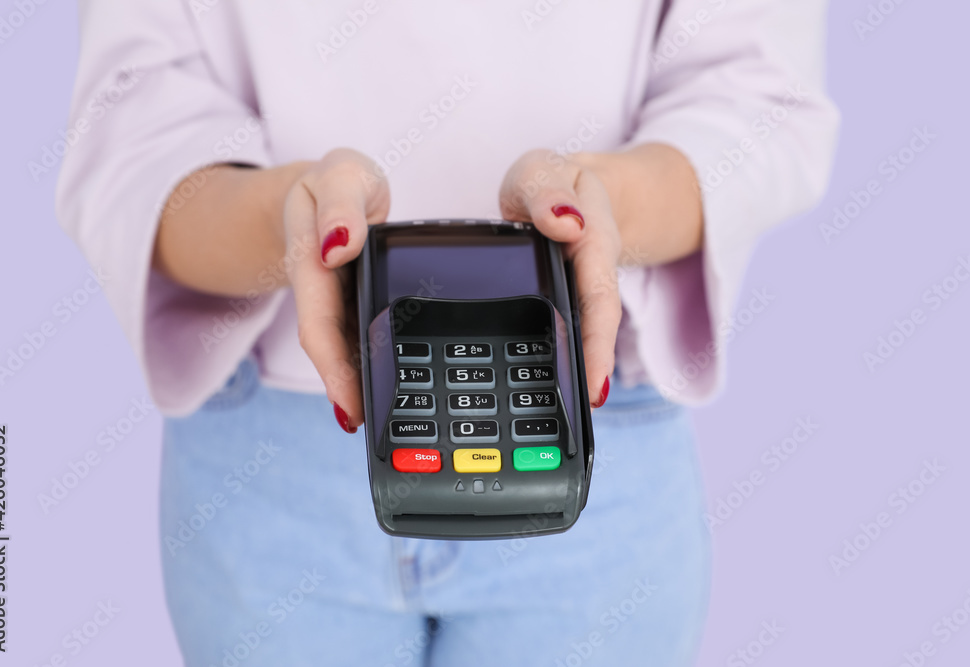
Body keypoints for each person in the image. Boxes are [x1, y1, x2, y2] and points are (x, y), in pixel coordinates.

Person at [56, 1, 838, 665]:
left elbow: (759, 96)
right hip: (265, 460)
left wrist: (606, 205)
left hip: (589, 429)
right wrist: (284, 219)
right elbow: (131, 122)